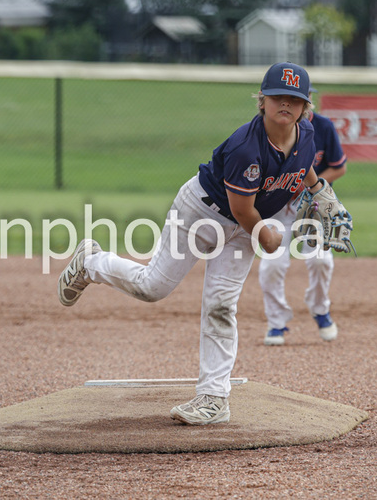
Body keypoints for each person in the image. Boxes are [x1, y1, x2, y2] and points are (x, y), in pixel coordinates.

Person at [58, 62, 325, 426]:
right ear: (261, 101)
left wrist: (320, 191)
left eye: (293, 100)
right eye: (277, 96)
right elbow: (243, 212)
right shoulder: (245, 148)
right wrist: (270, 236)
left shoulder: (307, 133)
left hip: (246, 224)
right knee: (153, 287)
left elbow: (303, 161)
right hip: (203, 213)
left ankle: (214, 399)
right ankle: (91, 262)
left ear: (305, 107)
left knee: (221, 305)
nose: (285, 105)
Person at [259, 93, 347, 346]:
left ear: (308, 100)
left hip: (312, 206)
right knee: (272, 265)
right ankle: (276, 322)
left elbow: (339, 167)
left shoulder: (323, 127)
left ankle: (320, 310)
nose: (291, 103)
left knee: (321, 260)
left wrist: (312, 187)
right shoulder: (266, 129)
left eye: (299, 97)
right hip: (276, 206)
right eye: (284, 97)